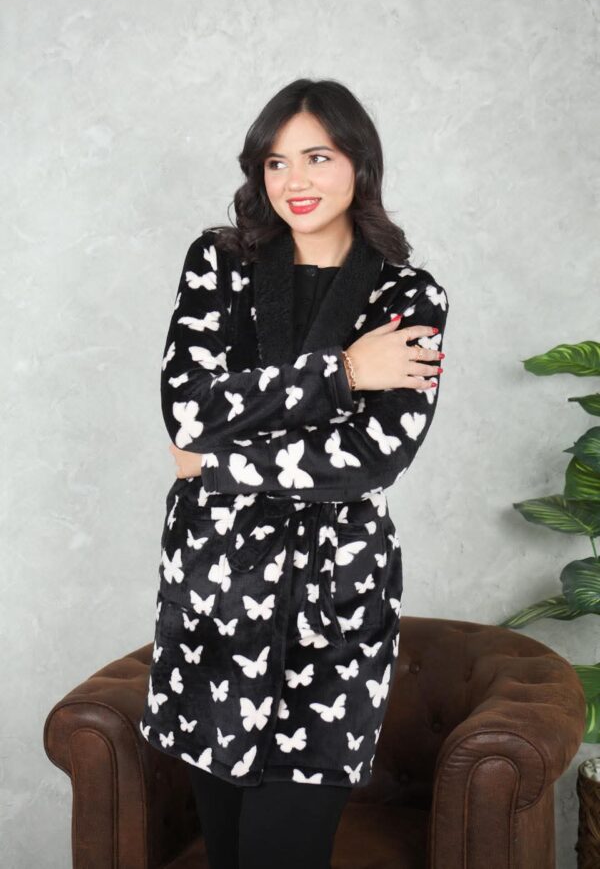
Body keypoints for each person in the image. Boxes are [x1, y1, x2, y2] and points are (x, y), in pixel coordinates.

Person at [139, 77, 449, 869]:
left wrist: (216, 465)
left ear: (360, 163)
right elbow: (189, 413)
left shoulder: (409, 297)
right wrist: (344, 373)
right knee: (229, 854)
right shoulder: (219, 264)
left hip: (335, 613)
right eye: (275, 163)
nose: (294, 181)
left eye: (317, 157)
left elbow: (372, 459)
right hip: (216, 600)